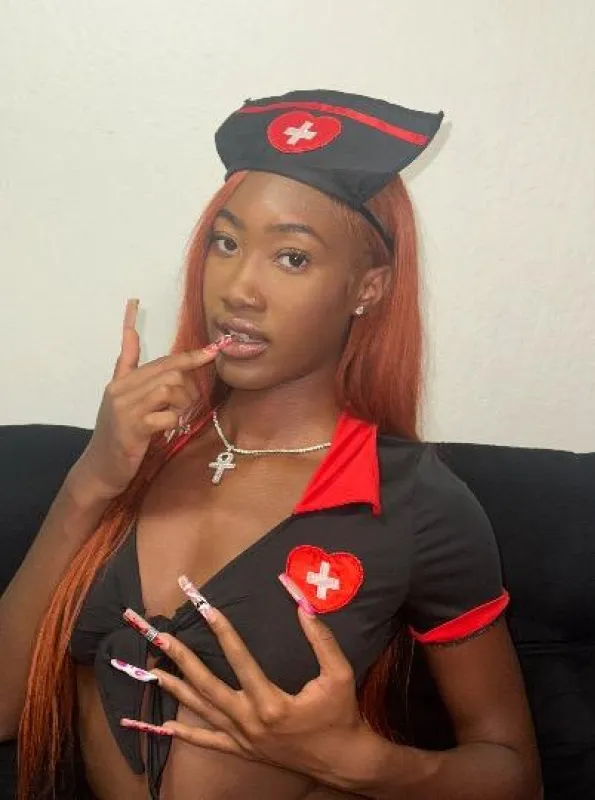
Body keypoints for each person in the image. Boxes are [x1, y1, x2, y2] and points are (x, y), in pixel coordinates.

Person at [0, 89, 542, 800]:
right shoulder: (142, 448)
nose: (239, 290)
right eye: (226, 244)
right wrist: (91, 479)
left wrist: (358, 762)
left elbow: (515, 775)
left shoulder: (414, 500)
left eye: (291, 257)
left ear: (368, 288)